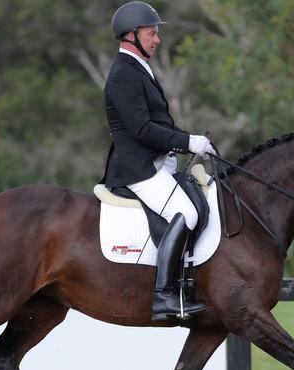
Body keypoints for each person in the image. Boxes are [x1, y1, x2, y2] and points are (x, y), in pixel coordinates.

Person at [102, 1, 215, 320]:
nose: (157, 39)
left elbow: (160, 124)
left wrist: (198, 144)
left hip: (156, 164)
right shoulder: (123, 73)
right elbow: (141, 129)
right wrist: (187, 141)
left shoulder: (139, 68)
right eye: (152, 34)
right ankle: (164, 296)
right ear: (131, 35)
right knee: (187, 212)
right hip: (137, 170)